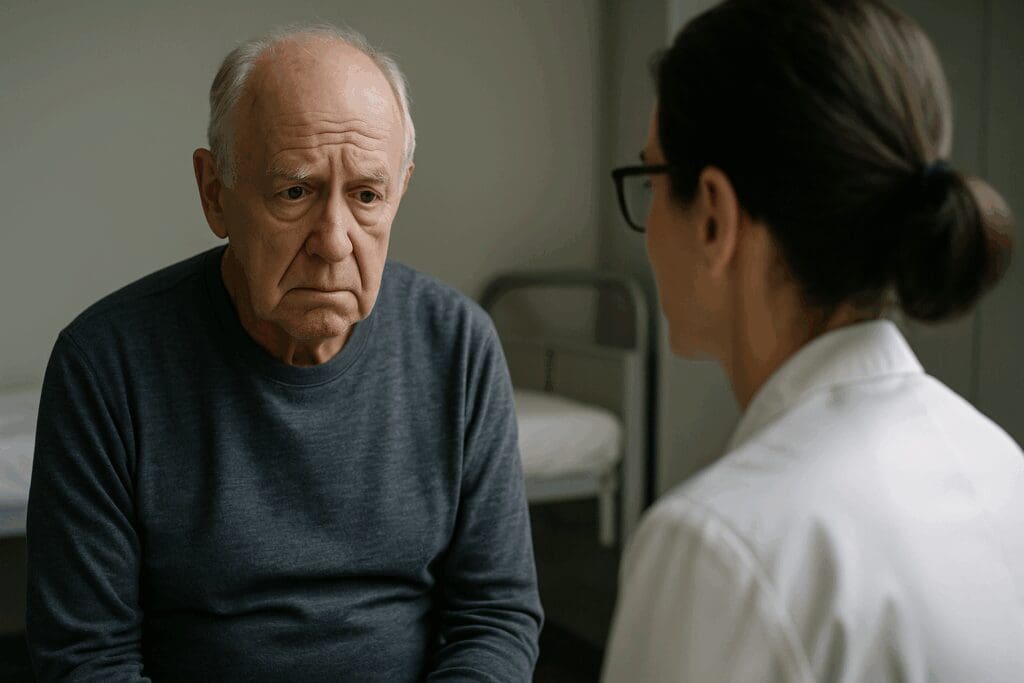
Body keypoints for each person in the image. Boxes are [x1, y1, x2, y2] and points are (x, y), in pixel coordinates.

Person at [26, 24, 541, 681]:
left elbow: (495, 617)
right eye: (294, 192)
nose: (333, 241)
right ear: (215, 192)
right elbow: (86, 658)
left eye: (366, 195)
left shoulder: (459, 346)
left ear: (400, 190)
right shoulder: (104, 365)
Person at [603, 0, 1022, 681]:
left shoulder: (716, 545)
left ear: (713, 217)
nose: (647, 223)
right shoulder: (1002, 466)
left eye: (650, 180)